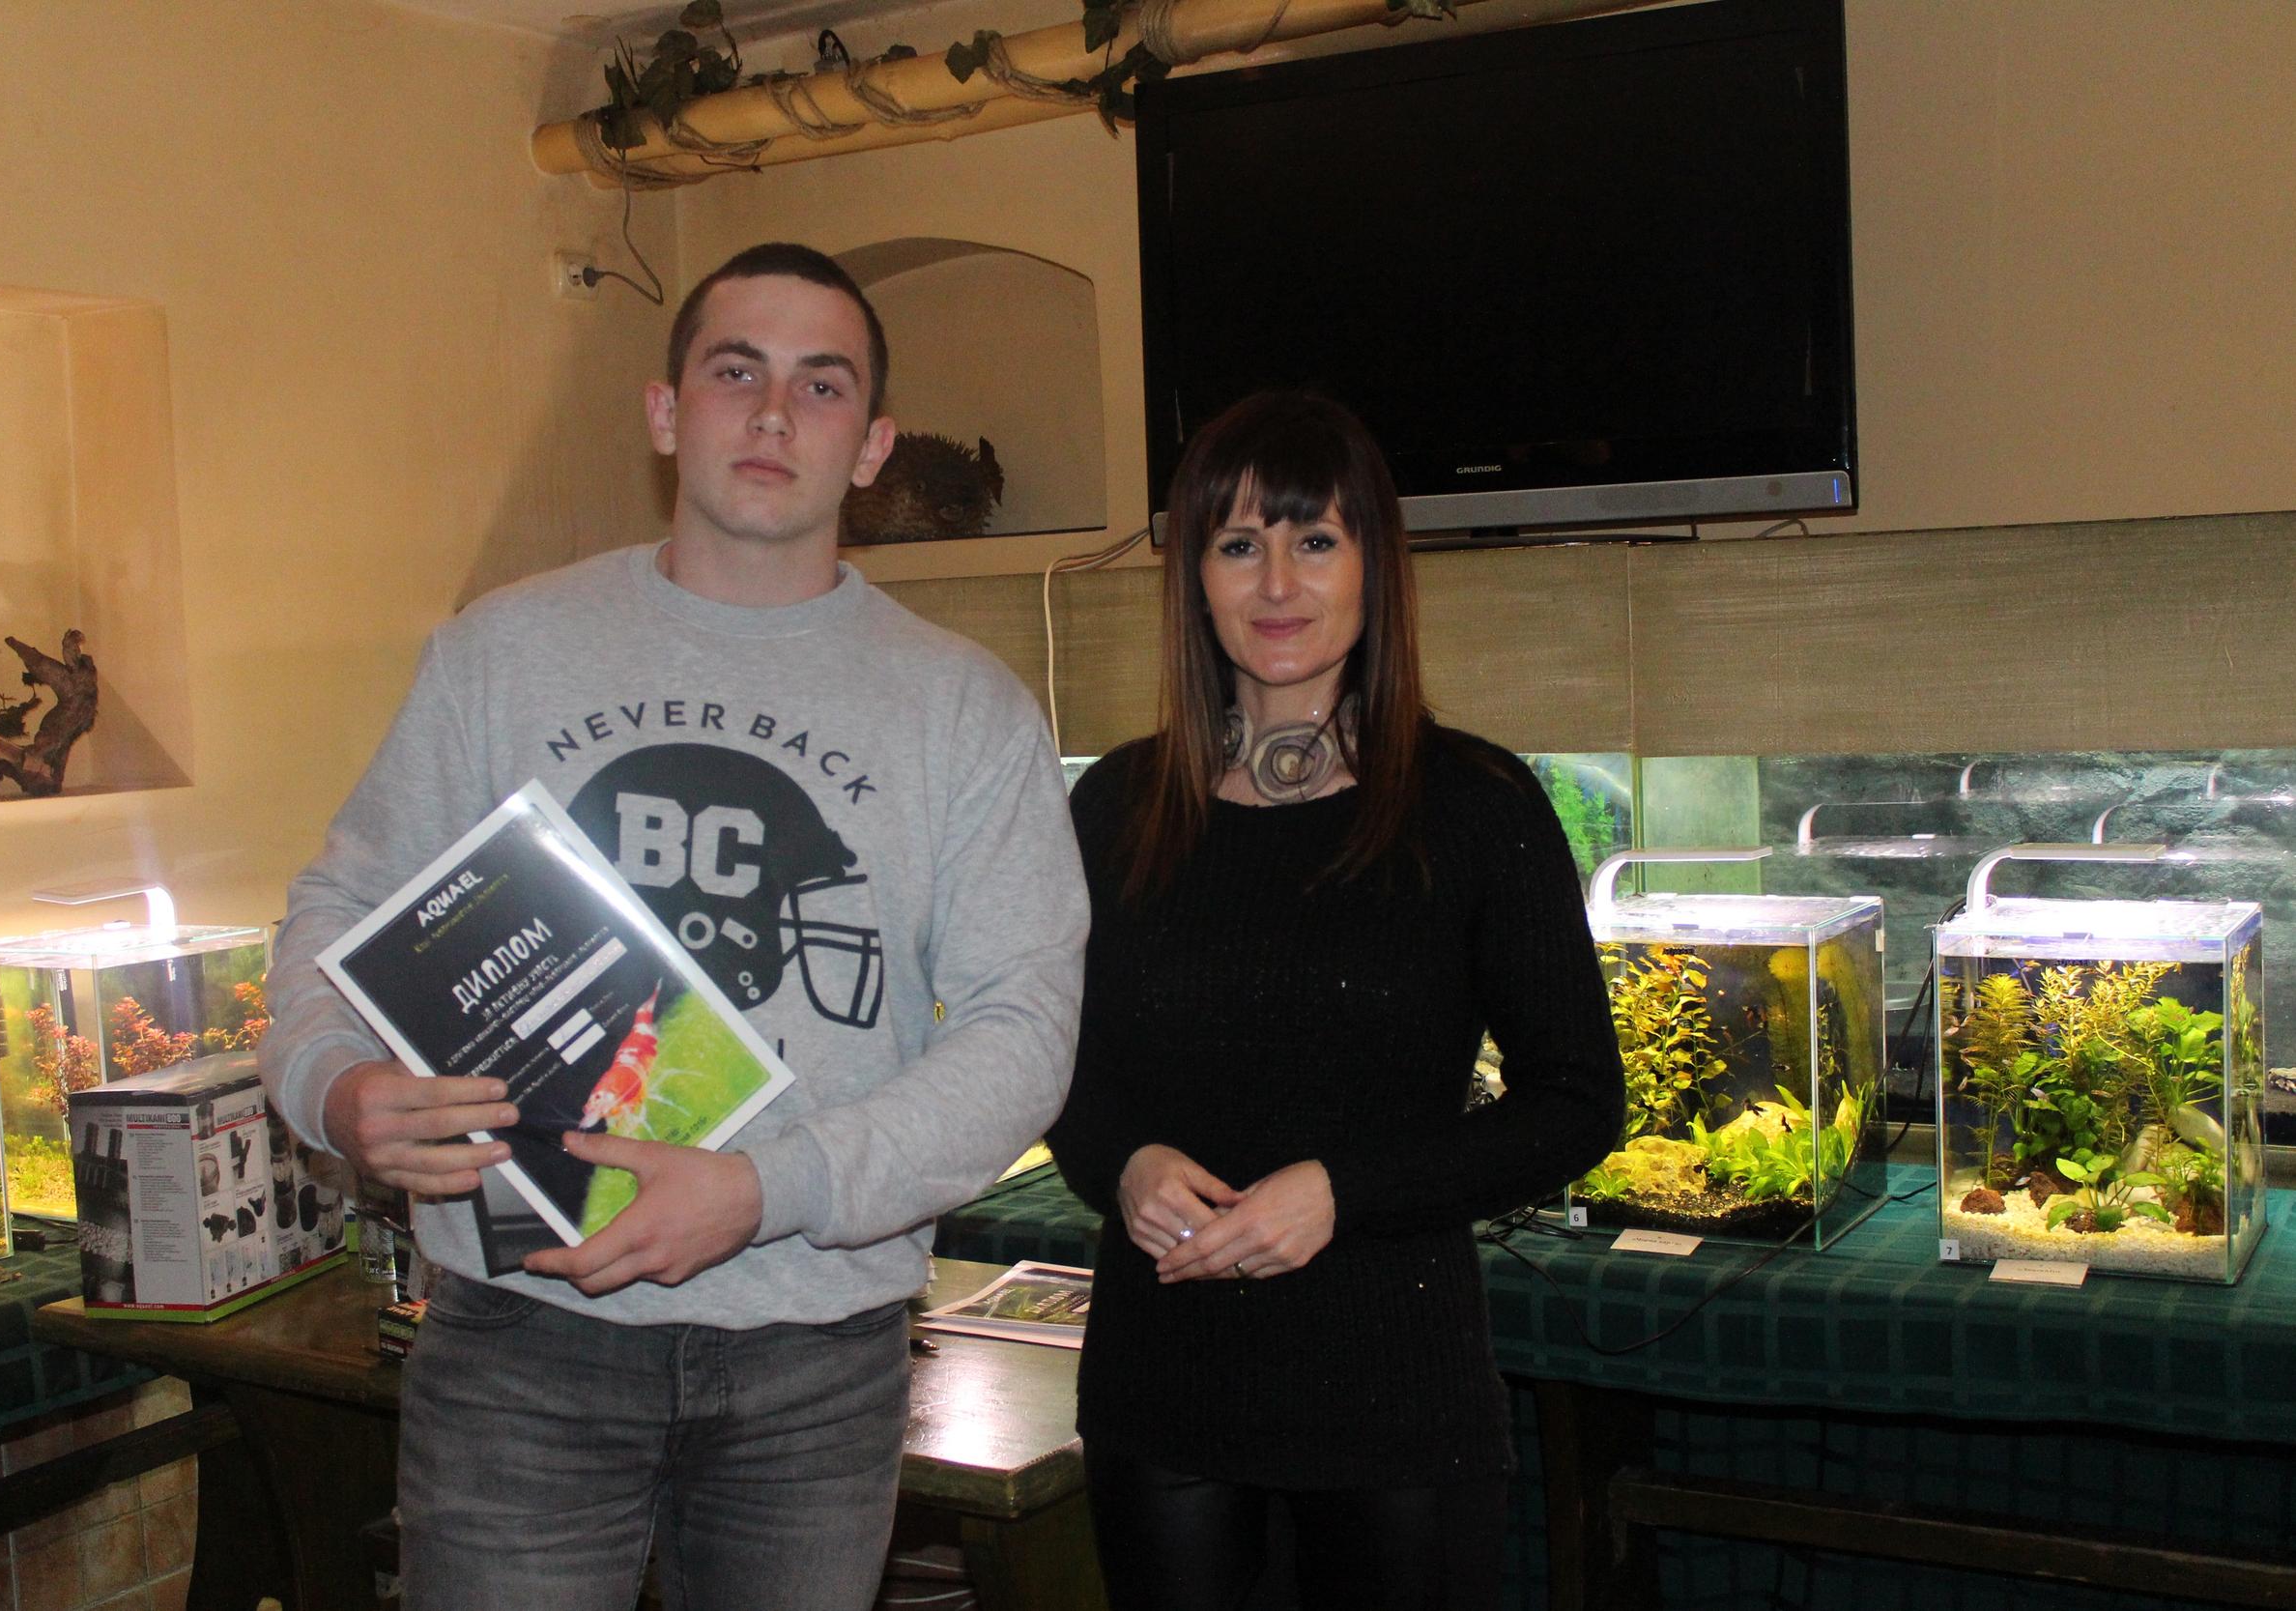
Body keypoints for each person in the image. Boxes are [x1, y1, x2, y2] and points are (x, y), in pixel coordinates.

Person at [258, 242, 1089, 1611]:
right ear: (664, 411)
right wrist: (333, 1083)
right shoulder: (498, 653)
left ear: (872, 445)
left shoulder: (967, 709)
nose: (773, 414)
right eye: (736, 371)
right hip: (520, 1336)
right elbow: (340, 910)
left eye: (821, 385)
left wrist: (769, 1186)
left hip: (816, 1350)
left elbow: (1023, 1033)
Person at [1045, 390, 1625, 1609]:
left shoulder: (1476, 804)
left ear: (1374, 565)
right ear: (1194, 577)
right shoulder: (1114, 807)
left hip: (1395, 1398)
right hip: (1163, 1393)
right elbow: (1058, 1064)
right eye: (1236, 542)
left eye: (1314, 539)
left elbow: (1576, 1100)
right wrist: (1126, 1162)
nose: (1277, 582)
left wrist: (1342, 1191)